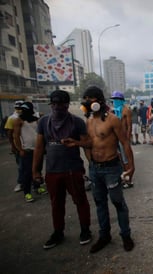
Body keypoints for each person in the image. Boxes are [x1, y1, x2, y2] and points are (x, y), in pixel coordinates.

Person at [32, 90, 92, 250]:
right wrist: (36, 171)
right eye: (55, 104)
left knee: (80, 201)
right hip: (52, 171)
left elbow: (88, 144)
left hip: (73, 169)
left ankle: (85, 230)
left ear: (67, 105)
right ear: (51, 104)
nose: (58, 107)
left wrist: (78, 146)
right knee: (56, 204)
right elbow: (39, 148)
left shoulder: (77, 122)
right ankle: (58, 232)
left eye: (61, 104)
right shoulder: (44, 122)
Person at [81, 86, 135, 253]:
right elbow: (90, 143)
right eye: (86, 99)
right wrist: (81, 148)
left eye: (90, 99)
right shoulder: (89, 121)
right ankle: (105, 236)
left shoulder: (112, 120)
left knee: (118, 203)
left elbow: (125, 143)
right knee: (99, 204)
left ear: (99, 101)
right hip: (95, 169)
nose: (87, 103)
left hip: (111, 168)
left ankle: (126, 235)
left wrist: (131, 167)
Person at [13, 102, 47, 203]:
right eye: (22, 110)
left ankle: (37, 187)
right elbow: (16, 136)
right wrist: (20, 150)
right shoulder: (18, 121)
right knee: (27, 173)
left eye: (25, 110)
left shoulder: (36, 120)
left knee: (37, 169)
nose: (23, 112)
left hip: (37, 150)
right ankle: (27, 193)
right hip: (27, 151)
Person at [110, 91, 133, 187]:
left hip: (124, 138)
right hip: (115, 138)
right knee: (119, 159)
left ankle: (129, 180)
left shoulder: (126, 110)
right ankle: (124, 177)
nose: (114, 101)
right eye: (113, 100)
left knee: (126, 159)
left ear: (121, 100)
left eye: (116, 99)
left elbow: (129, 126)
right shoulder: (113, 111)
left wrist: (127, 140)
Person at [5, 100, 24, 192]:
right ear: (15, 108)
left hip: (28, 145)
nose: (18, 110)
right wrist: (13, 146)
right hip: (18, 146)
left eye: (20, 108)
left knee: (31, 165)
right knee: (21, 165)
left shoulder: (27, 117)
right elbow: (9, 133)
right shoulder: (11, 118)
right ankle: (20, 182)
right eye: (17, 108)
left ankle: (33, 182)